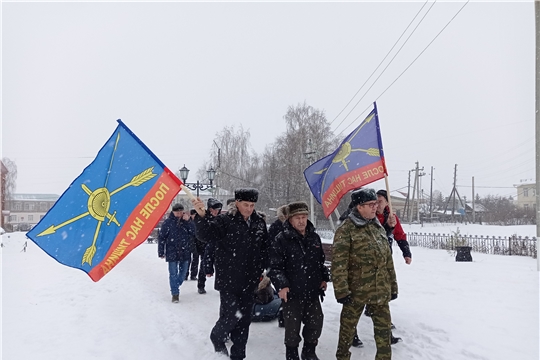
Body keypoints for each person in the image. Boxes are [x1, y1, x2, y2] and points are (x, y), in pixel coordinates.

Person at [192, 188, 269, 360]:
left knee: (244, 322)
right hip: (229, 279)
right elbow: (205, 235)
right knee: (232, 315)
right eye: (245, 205)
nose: (249, 209)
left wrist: (263, 268)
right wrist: (201, 216)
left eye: (252, 205)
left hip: (250, 280)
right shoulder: (225, 220)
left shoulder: (258, 222)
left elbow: (265, 248)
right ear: (237, 203)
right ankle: (217, 336)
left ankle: (238, 356)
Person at [332, 188, 398, 360]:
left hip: (380, 291)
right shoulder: (346, 229)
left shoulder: (377, 227)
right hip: (356, 292)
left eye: (375, 204)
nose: (375, 207)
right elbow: (339, 264)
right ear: (359, 207)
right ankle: (342, 357)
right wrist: (341, 291)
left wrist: (393, 286)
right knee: (347, 331)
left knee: (383, 333)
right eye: (370, 204)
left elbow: (387, 260)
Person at [268, 201, 330, 360]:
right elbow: (275, 267)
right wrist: (282, 285)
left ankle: (309, 351)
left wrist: (324, 277)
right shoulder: (281, 239)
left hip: (312, 291)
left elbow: (319, 262)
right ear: (290, 219)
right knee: (292, 328)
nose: (302, 221)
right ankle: (292, 354)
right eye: (298, 218)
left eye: (304, 217)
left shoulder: (314, 237)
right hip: (292, 293)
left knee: (315, 323)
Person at [352, 189, 410, 347]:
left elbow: (399, 235)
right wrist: (388, 228)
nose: (376, 204)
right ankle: (351, 335)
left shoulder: (390, 217)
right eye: (374, 201)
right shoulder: (366, 218)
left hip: (383, 264)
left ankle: (386, 334)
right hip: (364, 268)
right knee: (356, 304)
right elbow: (373, 237)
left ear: (386, 203)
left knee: (382, 299)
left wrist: (406, 252)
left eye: (380, 201)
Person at [158, 203, 195, 303]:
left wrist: (188, 222)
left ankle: (176, 285)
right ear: (173, 212)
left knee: (183, 274)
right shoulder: (168, 223)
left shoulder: (187, 222)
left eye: (180, 212)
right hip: (172, 251)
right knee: (173, 273)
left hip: (185, 251)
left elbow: (194, 232)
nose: (179, 214)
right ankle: (175, 293)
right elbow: (162, 237)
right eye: (177, 212)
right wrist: (161, 251)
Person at [268, 204, 288, 328]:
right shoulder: (276, 227)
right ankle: (283, 317)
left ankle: (284, 317)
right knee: (282, 290)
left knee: (286, 292)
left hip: (288, 263)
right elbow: (270, 245)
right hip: (277, 263)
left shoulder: (290, 226)